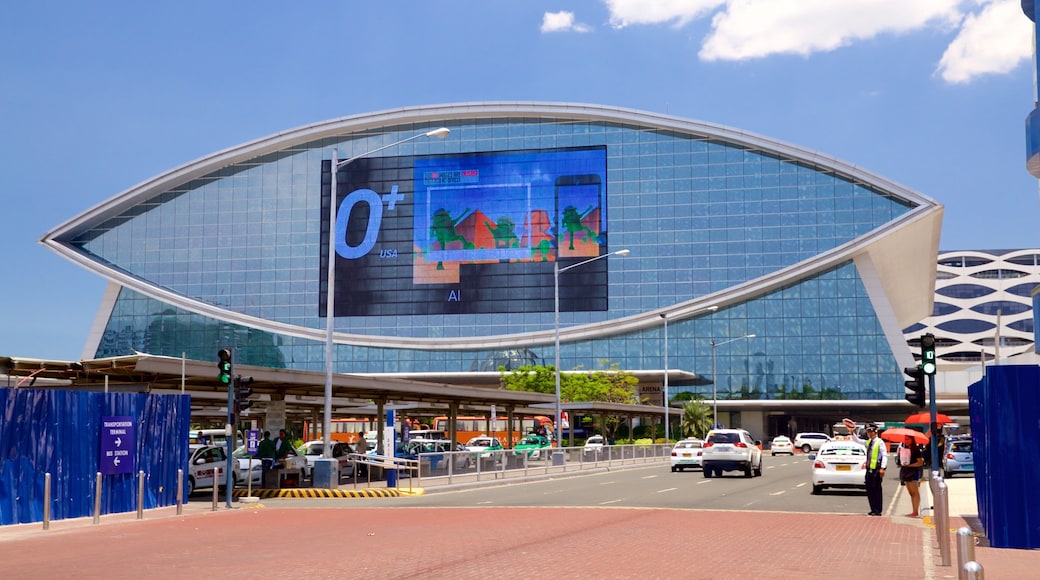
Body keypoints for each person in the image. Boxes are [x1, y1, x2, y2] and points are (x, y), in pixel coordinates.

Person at [844, 418, 888, 516]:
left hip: (876, 469)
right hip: (869, 470)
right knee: (869, 490)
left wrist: (883, 468)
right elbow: (858, 441)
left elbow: (884, 455)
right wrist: (852, 432)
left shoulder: (879, 442)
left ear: (875, 431)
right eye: (868, 432)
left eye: (871, 431)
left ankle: (878, 510)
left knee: (877, 490)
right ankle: (873, 509)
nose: (869, 433)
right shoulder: (869, 442)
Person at [897, 436, 926, 517]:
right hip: (906, 472)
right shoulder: (905, 449)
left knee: (915, 492)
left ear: (912, 440)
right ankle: (914, 510)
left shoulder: (916, 450)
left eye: (908, 439)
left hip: (913, 472)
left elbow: (920, 462)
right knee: (911, 493)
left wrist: (909, 465)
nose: (906, 441)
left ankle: (915, 511)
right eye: (905, 439)